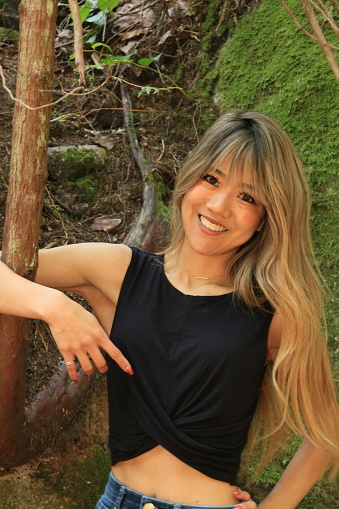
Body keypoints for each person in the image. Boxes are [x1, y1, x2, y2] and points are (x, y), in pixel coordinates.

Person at [0, 110, 338, 509]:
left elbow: (327, 428)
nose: (218, 205)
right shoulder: (119, 271)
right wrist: (54, 306)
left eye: (247, 197)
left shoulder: (275, 312)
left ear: (267, 217)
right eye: (211, 179)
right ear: (189, 176)